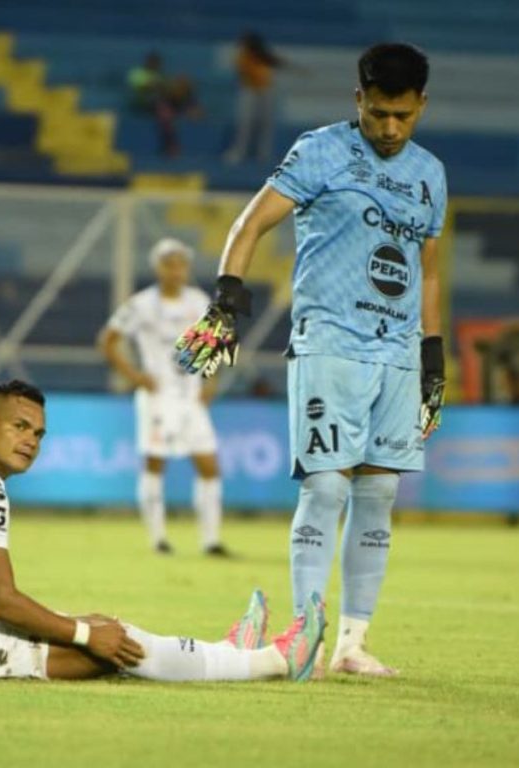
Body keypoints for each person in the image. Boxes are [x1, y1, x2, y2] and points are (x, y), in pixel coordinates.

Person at [175, 44, 447, 677]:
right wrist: (226, 300)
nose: (390, 128)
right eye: (378, 113)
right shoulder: (321, 150)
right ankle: (306, 638)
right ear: (358, 100)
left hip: (398, 353)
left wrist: (433, 356)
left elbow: (429, 272)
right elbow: (249, 223)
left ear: (422, 106)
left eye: (403, 116)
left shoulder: (431, 173)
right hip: (329, 342)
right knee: (326, 486)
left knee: (380, 492)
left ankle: (351, 645)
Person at [0, 379, 326, 682]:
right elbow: (1, 601)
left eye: (38, 433)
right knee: (117, 645)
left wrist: (84, 626)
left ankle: (231, 653)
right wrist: (84, 635)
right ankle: (274, 661)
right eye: (19, 426)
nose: (31, 441)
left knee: (101, 626)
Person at [100, 238, 228, 556]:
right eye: (170, 264)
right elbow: (108, 341)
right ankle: (158, 538)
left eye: (181, 264)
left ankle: (211, 540)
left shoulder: (198, 301)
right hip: (158, 396)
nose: (176, 270)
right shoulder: (141, 304)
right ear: (158, 268)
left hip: (190, 397)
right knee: (155, 463)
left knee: (209, 464)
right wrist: (135, 377)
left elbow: (210, 343)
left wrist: (210, 381)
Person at [224, 32, 282, 165]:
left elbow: (275, 63)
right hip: (249, 90)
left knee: (265, 124)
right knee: (245, 123)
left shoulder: (264, 55)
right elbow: (242, 72)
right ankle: (239, 152)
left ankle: (264, 153)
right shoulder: (242, 57)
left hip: (266, 91)